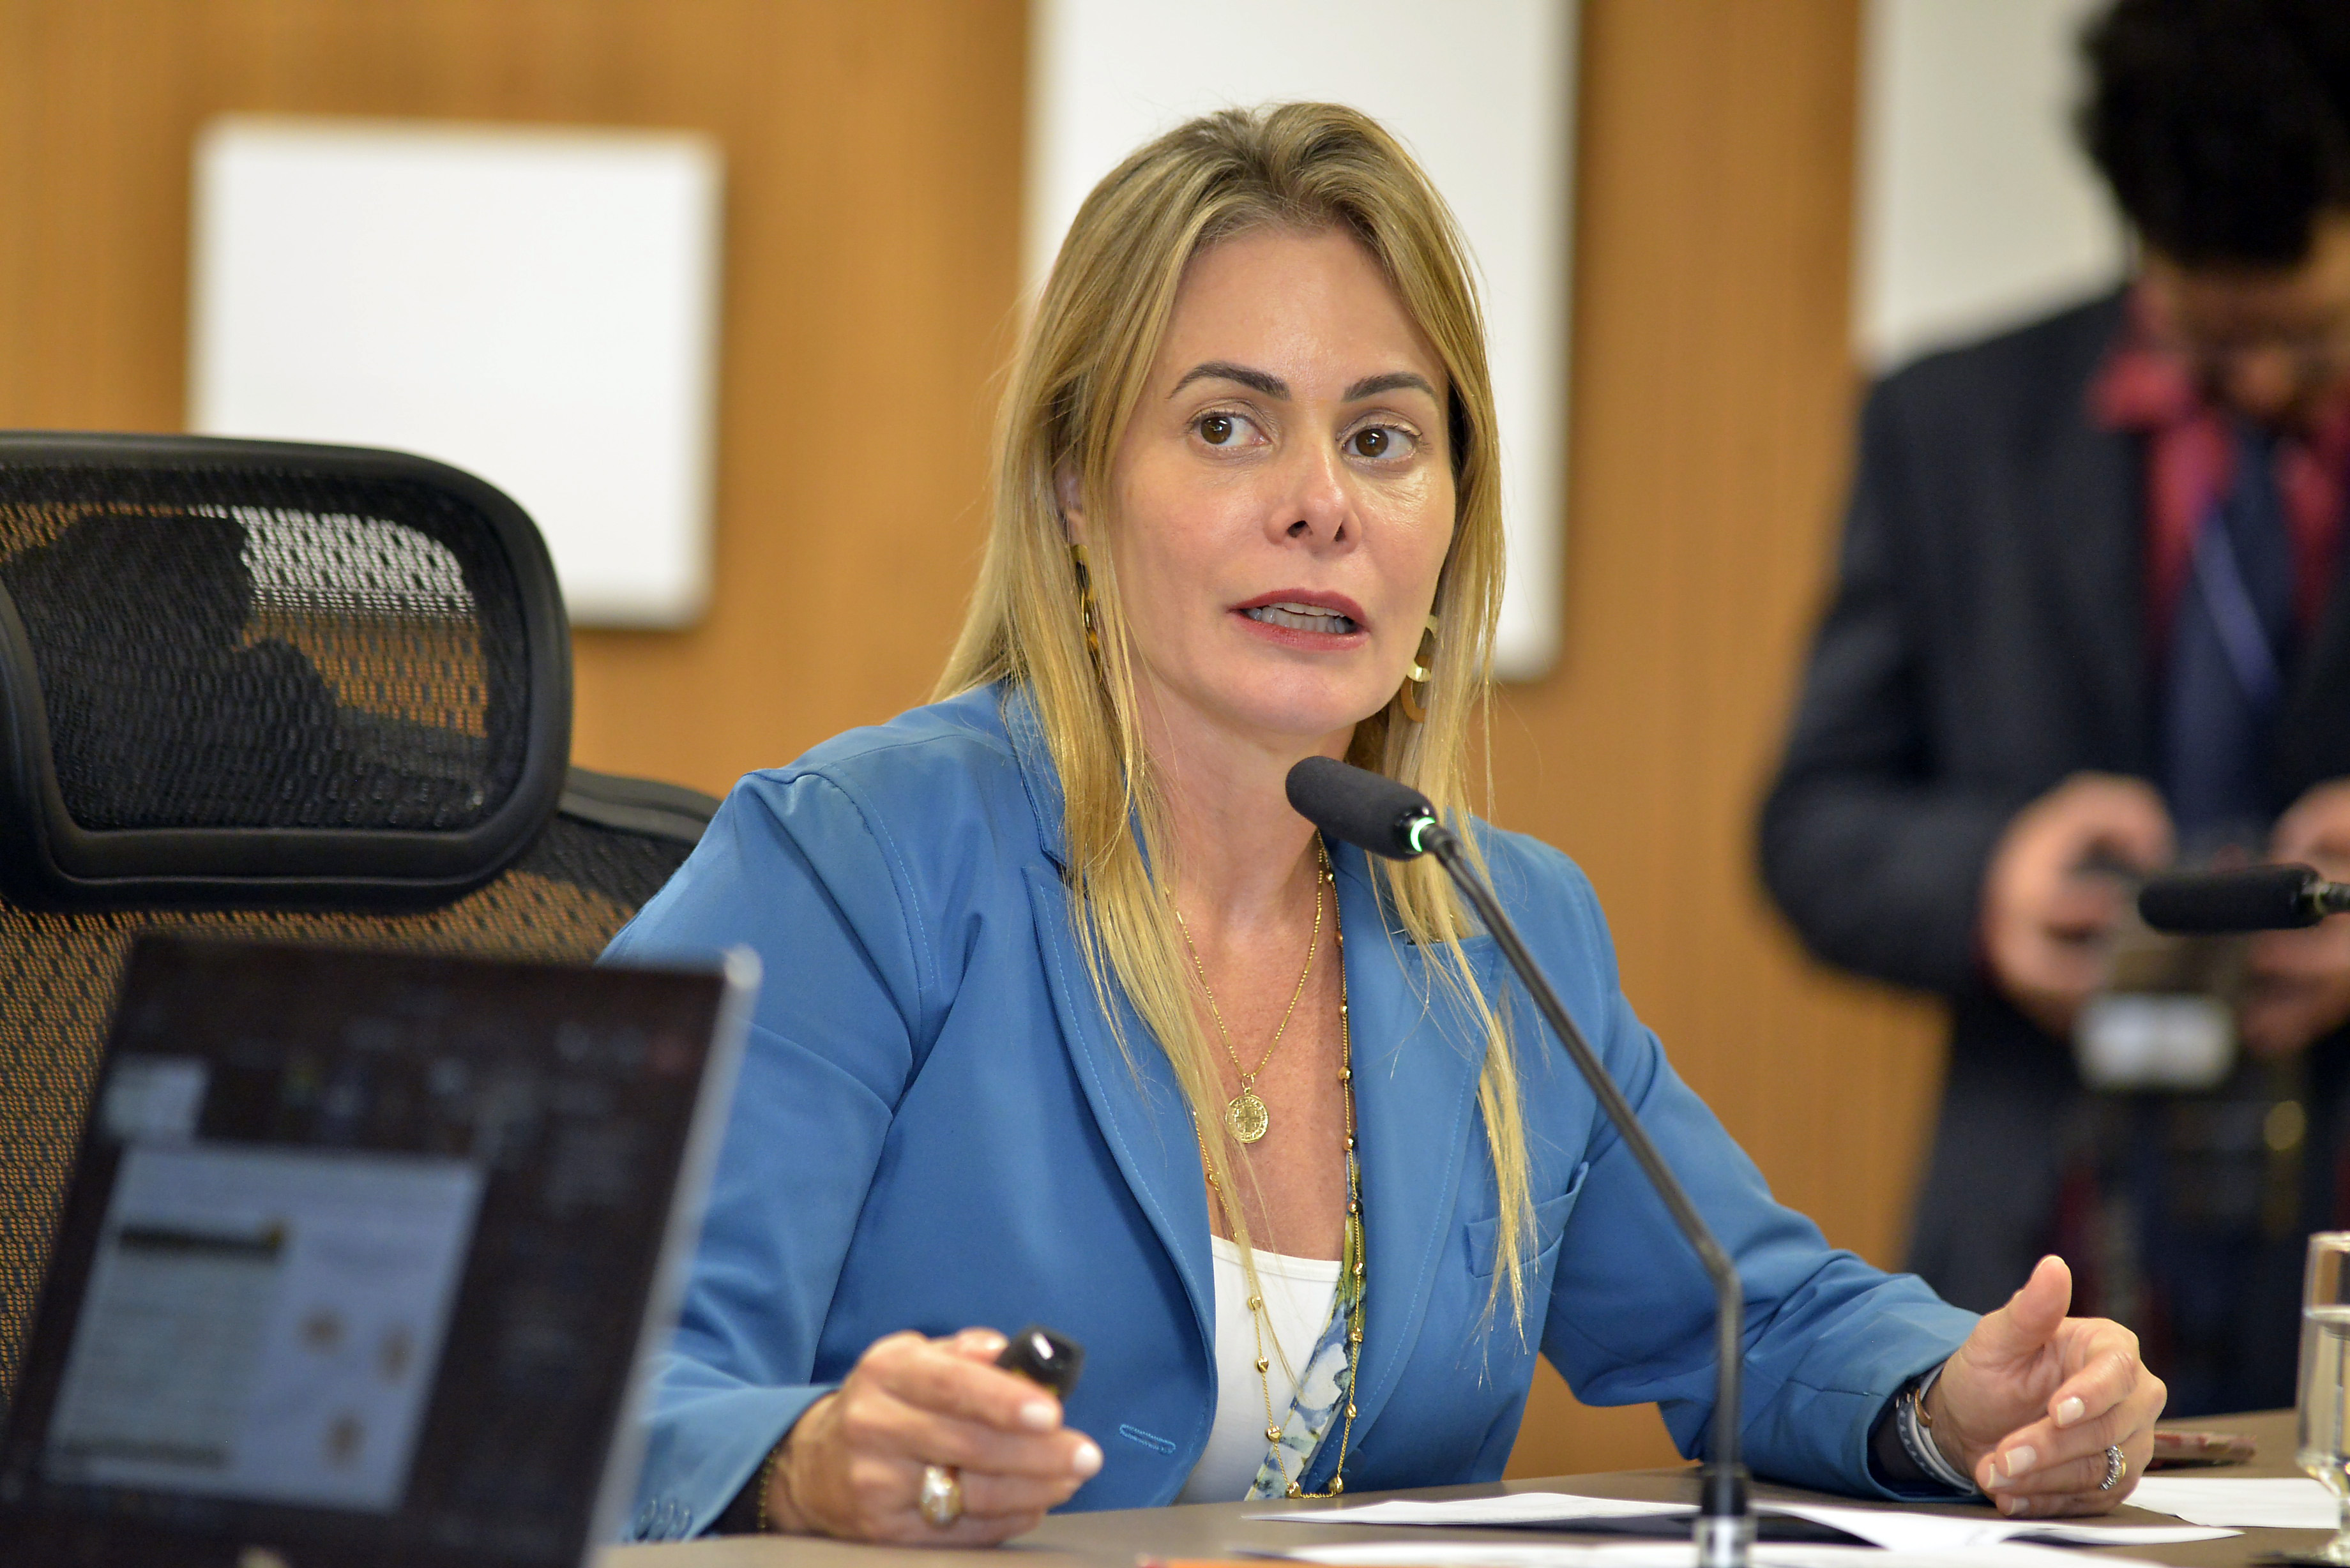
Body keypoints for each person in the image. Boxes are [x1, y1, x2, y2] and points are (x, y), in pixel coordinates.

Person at [609, 103, 2164, 1546]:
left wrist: (1957, 1398)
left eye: (1379, 439)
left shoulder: (1496, 924)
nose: (1321, 504)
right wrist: (807, 1458)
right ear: (1076, 486)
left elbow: (1756, 1312)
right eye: (1228, 426)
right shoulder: (857, 860)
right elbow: (570, 1366)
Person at [1762, 0, 2350, 1418]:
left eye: (2312, 337)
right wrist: (1991, 883)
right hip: (2043, 1245)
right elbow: (1811, 821)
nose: (2264, 383)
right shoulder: (1947, 424)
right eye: (2211, 341)